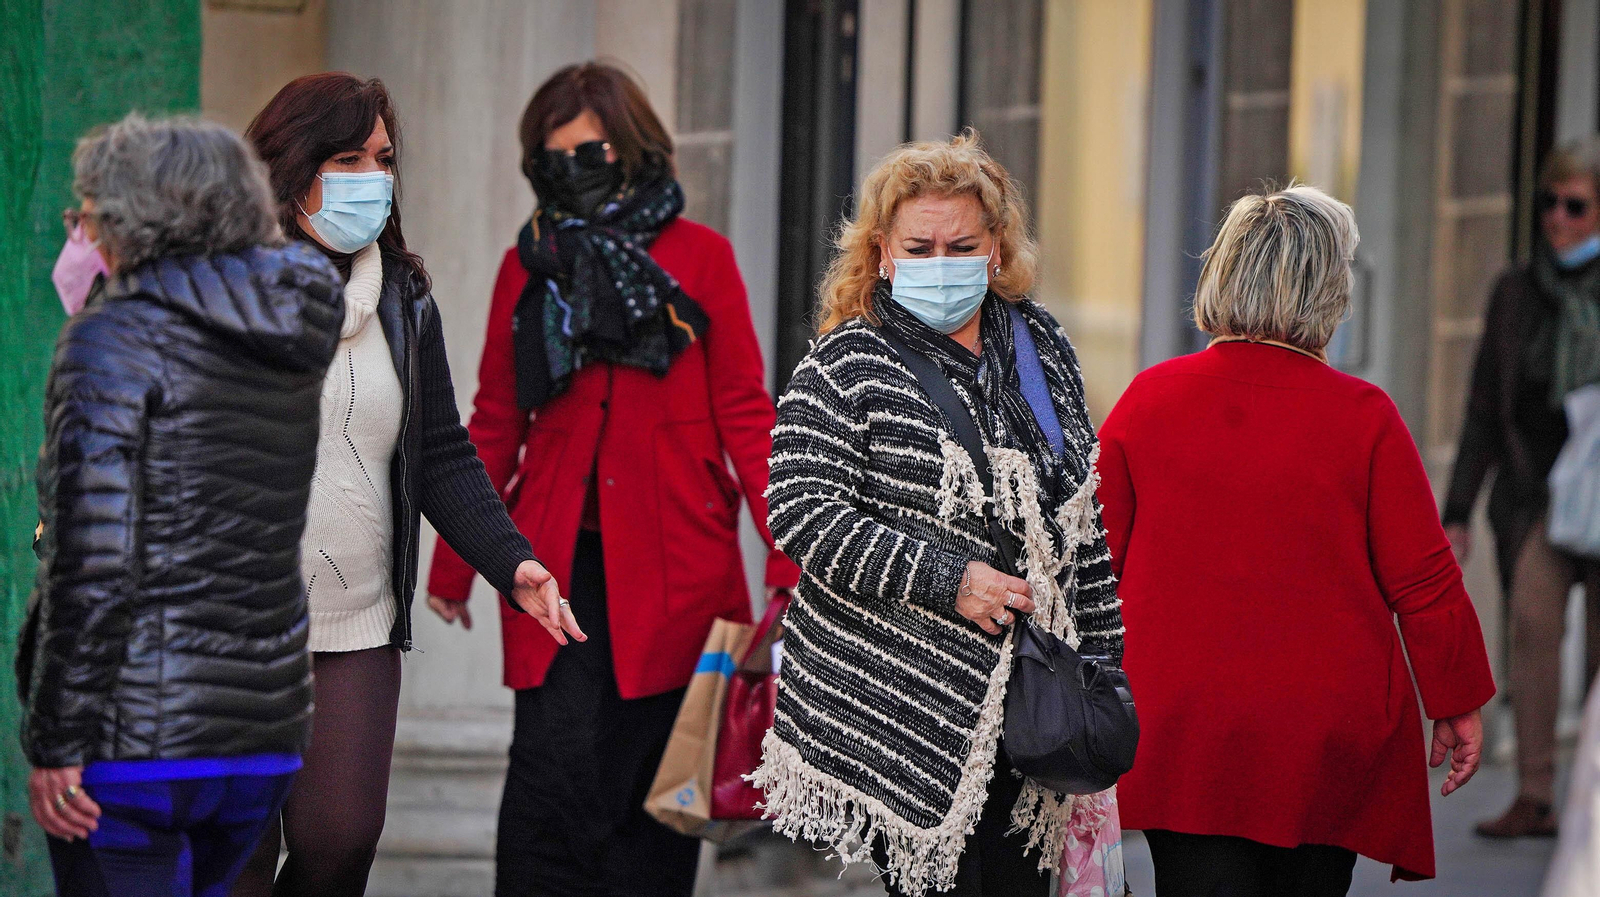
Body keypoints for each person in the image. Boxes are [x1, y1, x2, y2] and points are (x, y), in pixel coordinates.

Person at [423, 62, 799, 897]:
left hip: (677, 569)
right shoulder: (527, 265)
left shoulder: (702, 258)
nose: (572, 171)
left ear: (632, 149)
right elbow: (493, 419)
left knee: (655, 809)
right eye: (553, 157)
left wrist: (789, 553)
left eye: (589, 151)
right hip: (550, 568)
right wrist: (459, 562)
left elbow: (746, 411)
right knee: (549, 793)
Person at [230, 73, 578, 897]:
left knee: (340, 842)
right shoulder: (220, 292)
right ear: (290, 166)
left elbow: (444, 450)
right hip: (231, 629)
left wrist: (511, 561)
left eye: (382, 159)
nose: (372, 177)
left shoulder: (403, 299)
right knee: (230, 865)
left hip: (355, 623)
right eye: (347, 157)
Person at [748, 132, 1123, 897]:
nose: (940, 262)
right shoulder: (846, 364)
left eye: (962, 244)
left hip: (1038, 699)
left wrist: (1107, 673)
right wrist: (948, 577)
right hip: (906, 705)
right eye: (919, 246)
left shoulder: (1042, 345)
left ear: (996, 248)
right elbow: (798, 507)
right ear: (883, 252)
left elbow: (1085, 517)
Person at [1102, 184, 1497, 894]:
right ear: (1332, 293)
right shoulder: (1364, 417)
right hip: (1324, 736)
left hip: (1184, 729)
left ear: (1222, 274)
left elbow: (1093, 568)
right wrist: (1456, 698)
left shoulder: (1147, 401)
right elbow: (1425, 577)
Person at [18, 113, 342, 897]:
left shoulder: (111, 339)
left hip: (136, 744)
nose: (82, 231)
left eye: (88, 214)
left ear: (134, 218)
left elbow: (93, 563)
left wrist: (56, 739)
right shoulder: (290, 329)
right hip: (260, 739)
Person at [1444, 138, 1600, 839]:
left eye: (1575, 205)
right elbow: (1483, 406)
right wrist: (1459, 510)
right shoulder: (1516, 290)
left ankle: (1589, 796)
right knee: (1533, 626)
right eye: (1550, 202)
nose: (1558, 219)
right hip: (1537, 497)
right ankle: (1535, 790)